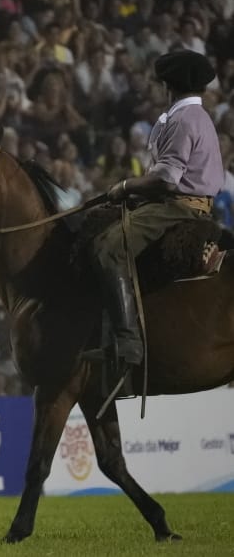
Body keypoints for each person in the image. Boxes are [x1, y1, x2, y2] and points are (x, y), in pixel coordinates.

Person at [94, 50, 224, 381]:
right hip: (194, 203)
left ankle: (127, 342)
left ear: (168, 84)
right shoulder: (200, 117)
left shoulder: (181, 120)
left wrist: (124, 186)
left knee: (109, 247)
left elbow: (167, 178)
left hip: (177, 206)